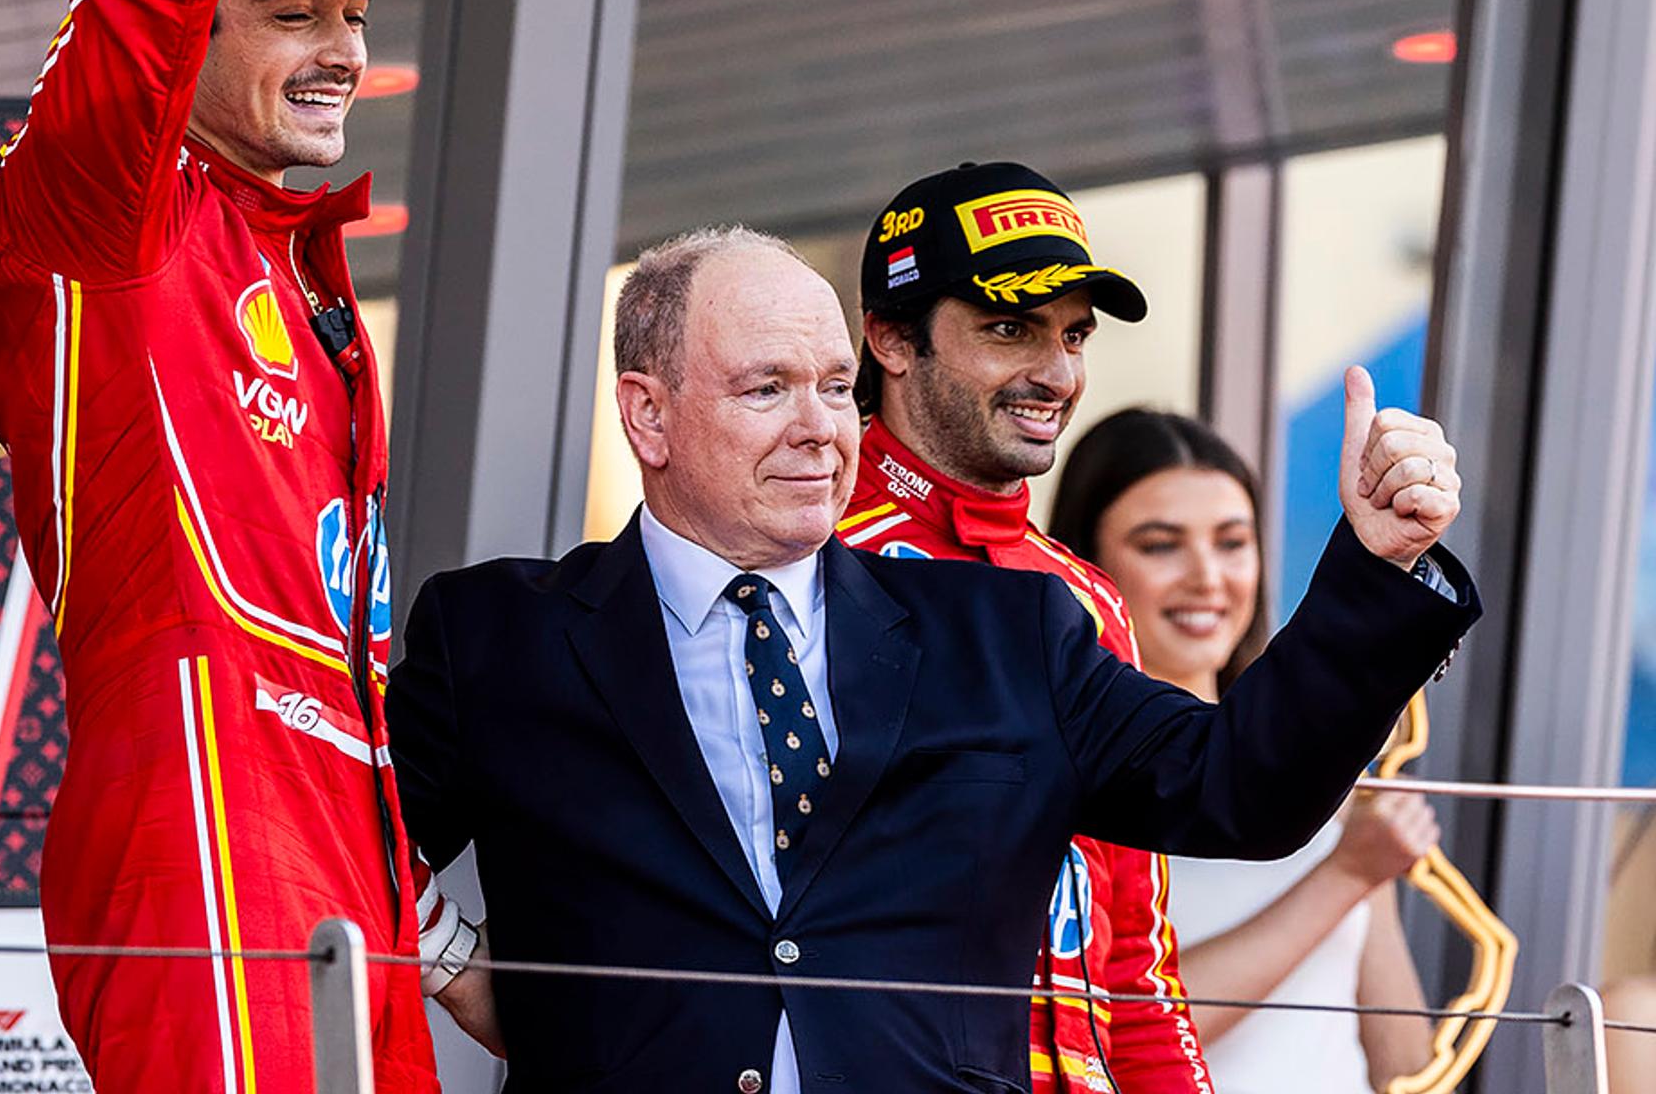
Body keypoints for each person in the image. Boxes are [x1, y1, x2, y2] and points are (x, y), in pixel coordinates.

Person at [386, 226, 1477, 1094]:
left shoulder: (1010, 631)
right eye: (766, 388)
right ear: (647, 416)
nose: (821, 428)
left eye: (830, 385)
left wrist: (1373, 568)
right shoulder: (495, 634)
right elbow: (344, 841)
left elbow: (1241, 789)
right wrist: (455, 966)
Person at [0, 0, 478, 1094]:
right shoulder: (101, 217)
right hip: (193, 829)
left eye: (353, 9)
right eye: (290, 6)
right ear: (200, 21)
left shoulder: (301, 273)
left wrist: (439, 946)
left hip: (344, 847)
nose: (339, 46)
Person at [835, 161, 1208, 1094]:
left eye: (1072, 334)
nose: (1055, 373)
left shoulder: (1087, 599)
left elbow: (1135, 969)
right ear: (888, 337)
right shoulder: (804, 566)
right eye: (1009, 329)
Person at [1048, 409, 1442, 1091]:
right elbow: (1111, 1032)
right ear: (1083, 563)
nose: (1206, 577)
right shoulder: (1070, 776)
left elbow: (1403, 1059)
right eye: (1159, 544)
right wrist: (1343, 879)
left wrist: (1359, 871)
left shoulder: (1314, 769)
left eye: (1231, 543)